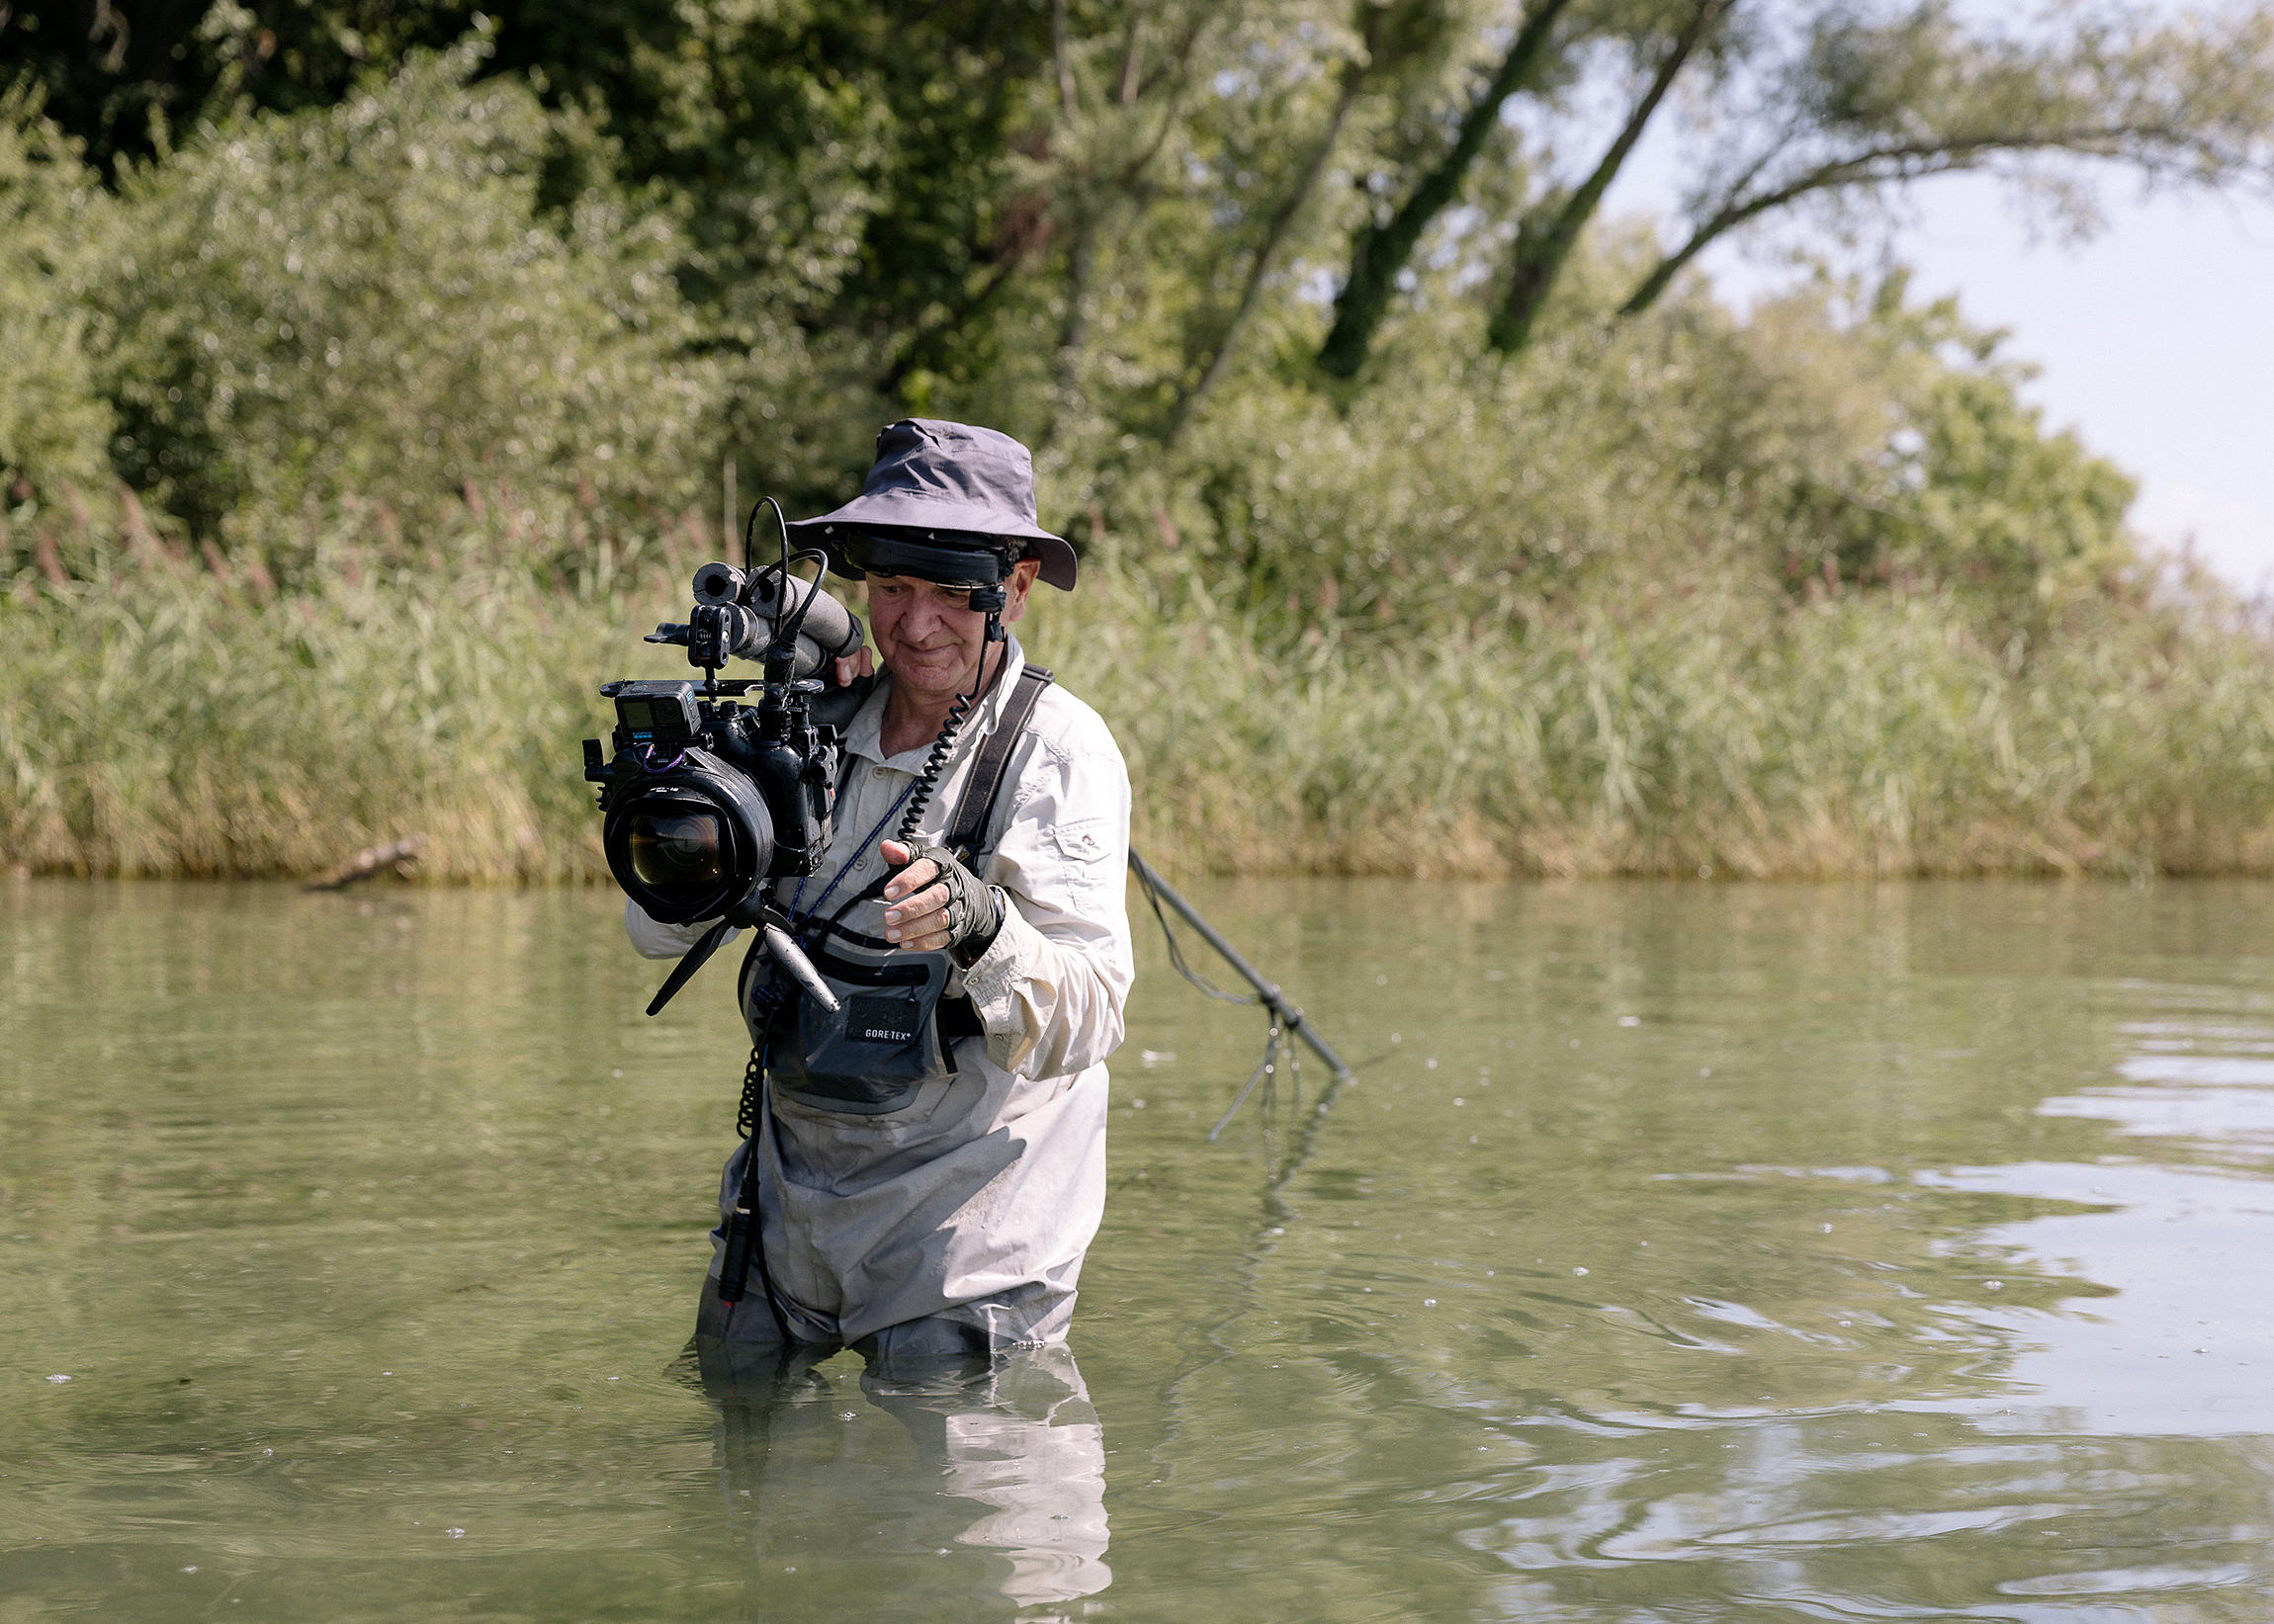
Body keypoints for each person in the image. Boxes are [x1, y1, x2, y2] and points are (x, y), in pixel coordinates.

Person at [627, 418, 1133, 1364]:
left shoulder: (1057, 753)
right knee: (736, 1471)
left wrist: (983, 927)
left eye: (952, 593)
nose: (915, 623)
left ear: (1015, 589)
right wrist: (690, 834)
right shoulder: (802, 729)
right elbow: (651, 936)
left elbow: (1094, 1014)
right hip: (788, 1214)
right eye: (893, 588)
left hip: (968, 1233)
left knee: (958, 1506)